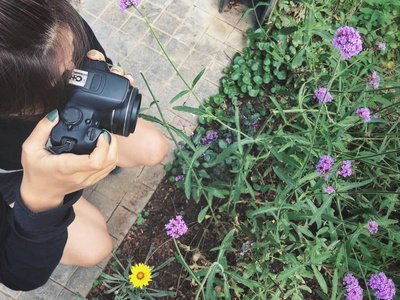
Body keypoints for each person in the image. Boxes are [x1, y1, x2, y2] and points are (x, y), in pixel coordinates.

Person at [0, 0, 168, 291]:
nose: (74, 77)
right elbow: (17, 274)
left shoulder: (43, 25)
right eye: (54, 87)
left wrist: (104, 82)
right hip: (12, 176)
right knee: (95, 247)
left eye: (76, 65)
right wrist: (41, 199)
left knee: (153, 147)